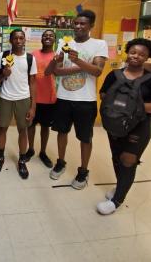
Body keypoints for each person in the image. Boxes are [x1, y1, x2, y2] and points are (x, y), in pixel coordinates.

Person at [97, 38, 151, 215]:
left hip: (139, 126)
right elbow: (103, 93)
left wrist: (131, 107)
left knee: (128, 159)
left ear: (147, 57)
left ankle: (117, 200)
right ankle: (121, 187)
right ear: (128, 52)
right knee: (117, 157)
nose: (136, 56)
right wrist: (117, 104)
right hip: (115, 123)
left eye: (142, 54)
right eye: (133, 52)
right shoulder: (114, 75)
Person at [45, 10, 108, 189]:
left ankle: (83, 171)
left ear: (91, 26)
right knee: (61, 132)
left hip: (86, 101)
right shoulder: (64, 43)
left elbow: (97, 71)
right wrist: (80, 67)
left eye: (83, 24)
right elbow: (56, 71)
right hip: (64, 97)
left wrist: (78, 61)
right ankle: (61, 162)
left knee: (85, 138)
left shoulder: (99, 44)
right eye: (76, 23)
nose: (78, 26)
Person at [0, 29, 37, 179]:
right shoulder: (3, 56)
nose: (18, 41)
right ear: (10, 41)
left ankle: (22, 160)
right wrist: (3, 75)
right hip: (5, 97)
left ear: (25, 40)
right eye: (15, 38)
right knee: (2, 127)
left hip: (23, 98)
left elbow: (33, 83)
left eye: (21, 38)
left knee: (23, 130)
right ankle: (0, 157)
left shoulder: (30, 58)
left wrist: (33, 106)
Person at [26, 29, 57, 168]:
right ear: (41, 39)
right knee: (30, 125)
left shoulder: (57, 56)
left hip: (49, 98)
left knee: (45, 127)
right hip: (32, 97)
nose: (47, 37)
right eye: (45, 35)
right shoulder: (33, 55)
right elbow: (28, 75)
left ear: (54, 39)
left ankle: (43, 152)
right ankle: (30, 149)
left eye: (50, 36)